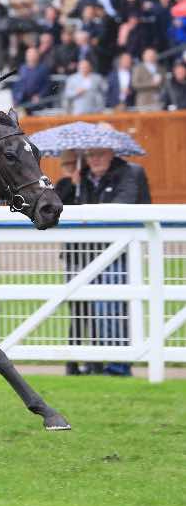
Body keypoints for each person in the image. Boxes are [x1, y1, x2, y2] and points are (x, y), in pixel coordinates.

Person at [56, 143, 151, 376]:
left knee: (111, 306)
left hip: (118, 249)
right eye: (90, 155)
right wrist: (76, 187)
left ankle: (118, 366)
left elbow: (122, 207)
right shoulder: (82, 179)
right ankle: (97, 364)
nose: (94, 159)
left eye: (99, 154)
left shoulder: (130, 172)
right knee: (88, 308)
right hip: (85, 253)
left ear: (111, 153)